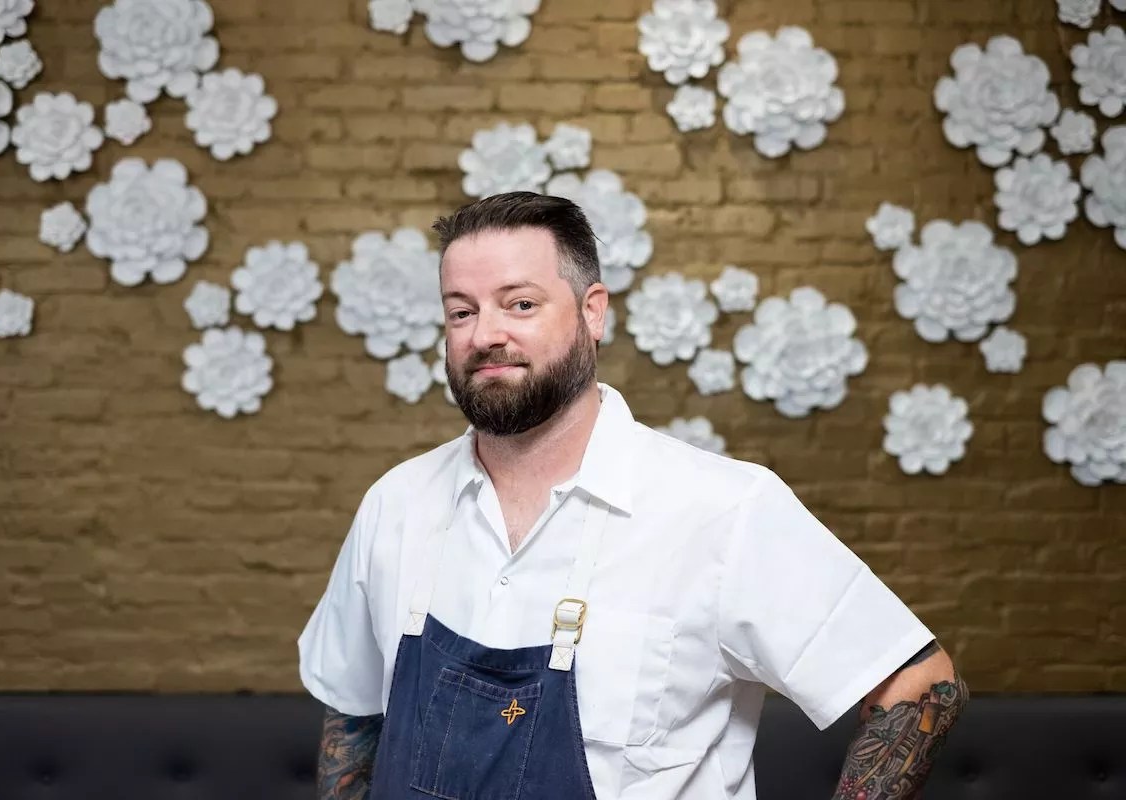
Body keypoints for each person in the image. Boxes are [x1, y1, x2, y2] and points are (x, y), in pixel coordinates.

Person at [298, 191, 969, 800]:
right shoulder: (396, 504)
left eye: (520, 304)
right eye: (461, 311)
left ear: (593, 312)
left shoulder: (723, 511)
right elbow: (352, 718)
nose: (485, 335)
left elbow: (921, 684)